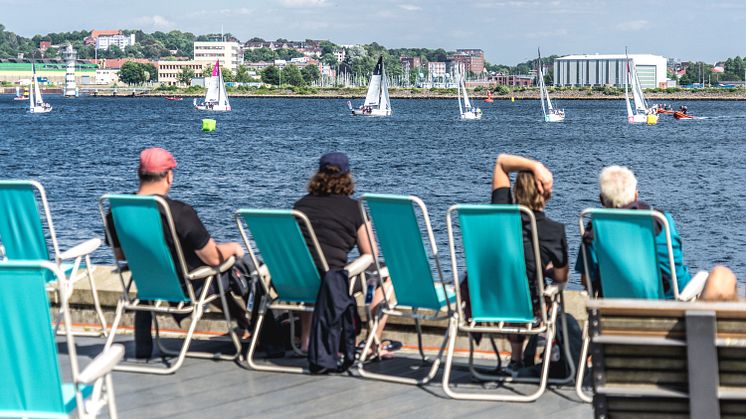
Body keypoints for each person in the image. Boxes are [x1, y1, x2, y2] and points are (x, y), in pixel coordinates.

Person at [106, 147, 251, 357]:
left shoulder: (117, 210)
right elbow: (212, 257)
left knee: (209, 279)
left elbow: (121, 256)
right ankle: (266, 335)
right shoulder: (179, 212)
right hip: (187, 286)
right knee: (240, 269)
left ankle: (244, 322)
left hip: (150, 284)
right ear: (169, 176)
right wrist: (234, 248)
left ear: (140, 174)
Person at [293, 152, 395, 359]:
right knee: (388, 274)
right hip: (336, 280)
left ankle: (306, 340)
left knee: (310, 268)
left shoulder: (300, 206)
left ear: (318, 175)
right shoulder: (354, 208)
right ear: (348, 176)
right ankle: (373, 343)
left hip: (299, 280)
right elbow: (370, 253)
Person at [489, 154, 569, 374]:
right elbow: (561, 279)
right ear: (544, 191)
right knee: (543, 291)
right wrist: (546, 270)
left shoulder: (500, 215)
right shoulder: (554, 231)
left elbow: (501, 163)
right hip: (530, 304)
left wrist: (535, 166)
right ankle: (545, 350)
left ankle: (516, 359)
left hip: (489, 299)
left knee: (514, 284)